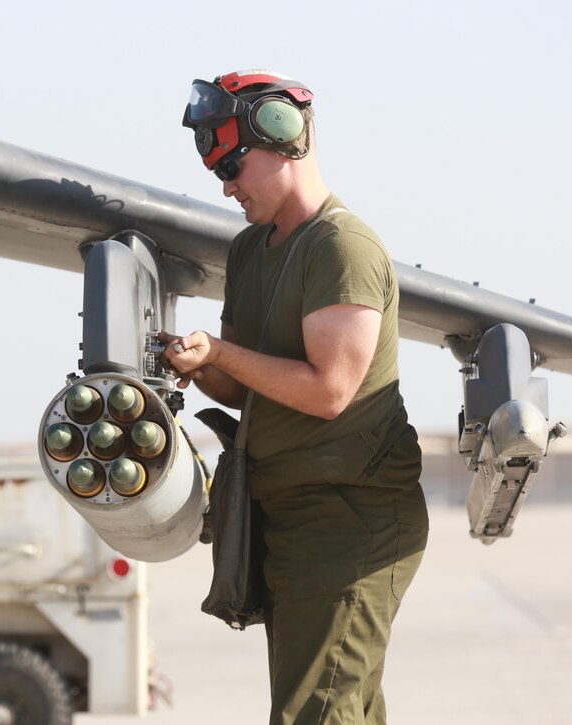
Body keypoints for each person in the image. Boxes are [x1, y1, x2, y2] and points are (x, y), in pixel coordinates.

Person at [162, 70, 428, 725]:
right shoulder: (251, 250)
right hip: (287, 515)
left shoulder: (342, 248)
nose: (224, 185)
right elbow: (242, 382)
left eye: (231, 163)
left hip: (350, 517)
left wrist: (223, 354)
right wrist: (197, 363)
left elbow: (331, 389)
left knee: (315, 712)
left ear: (283, 139)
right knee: (340, 709)